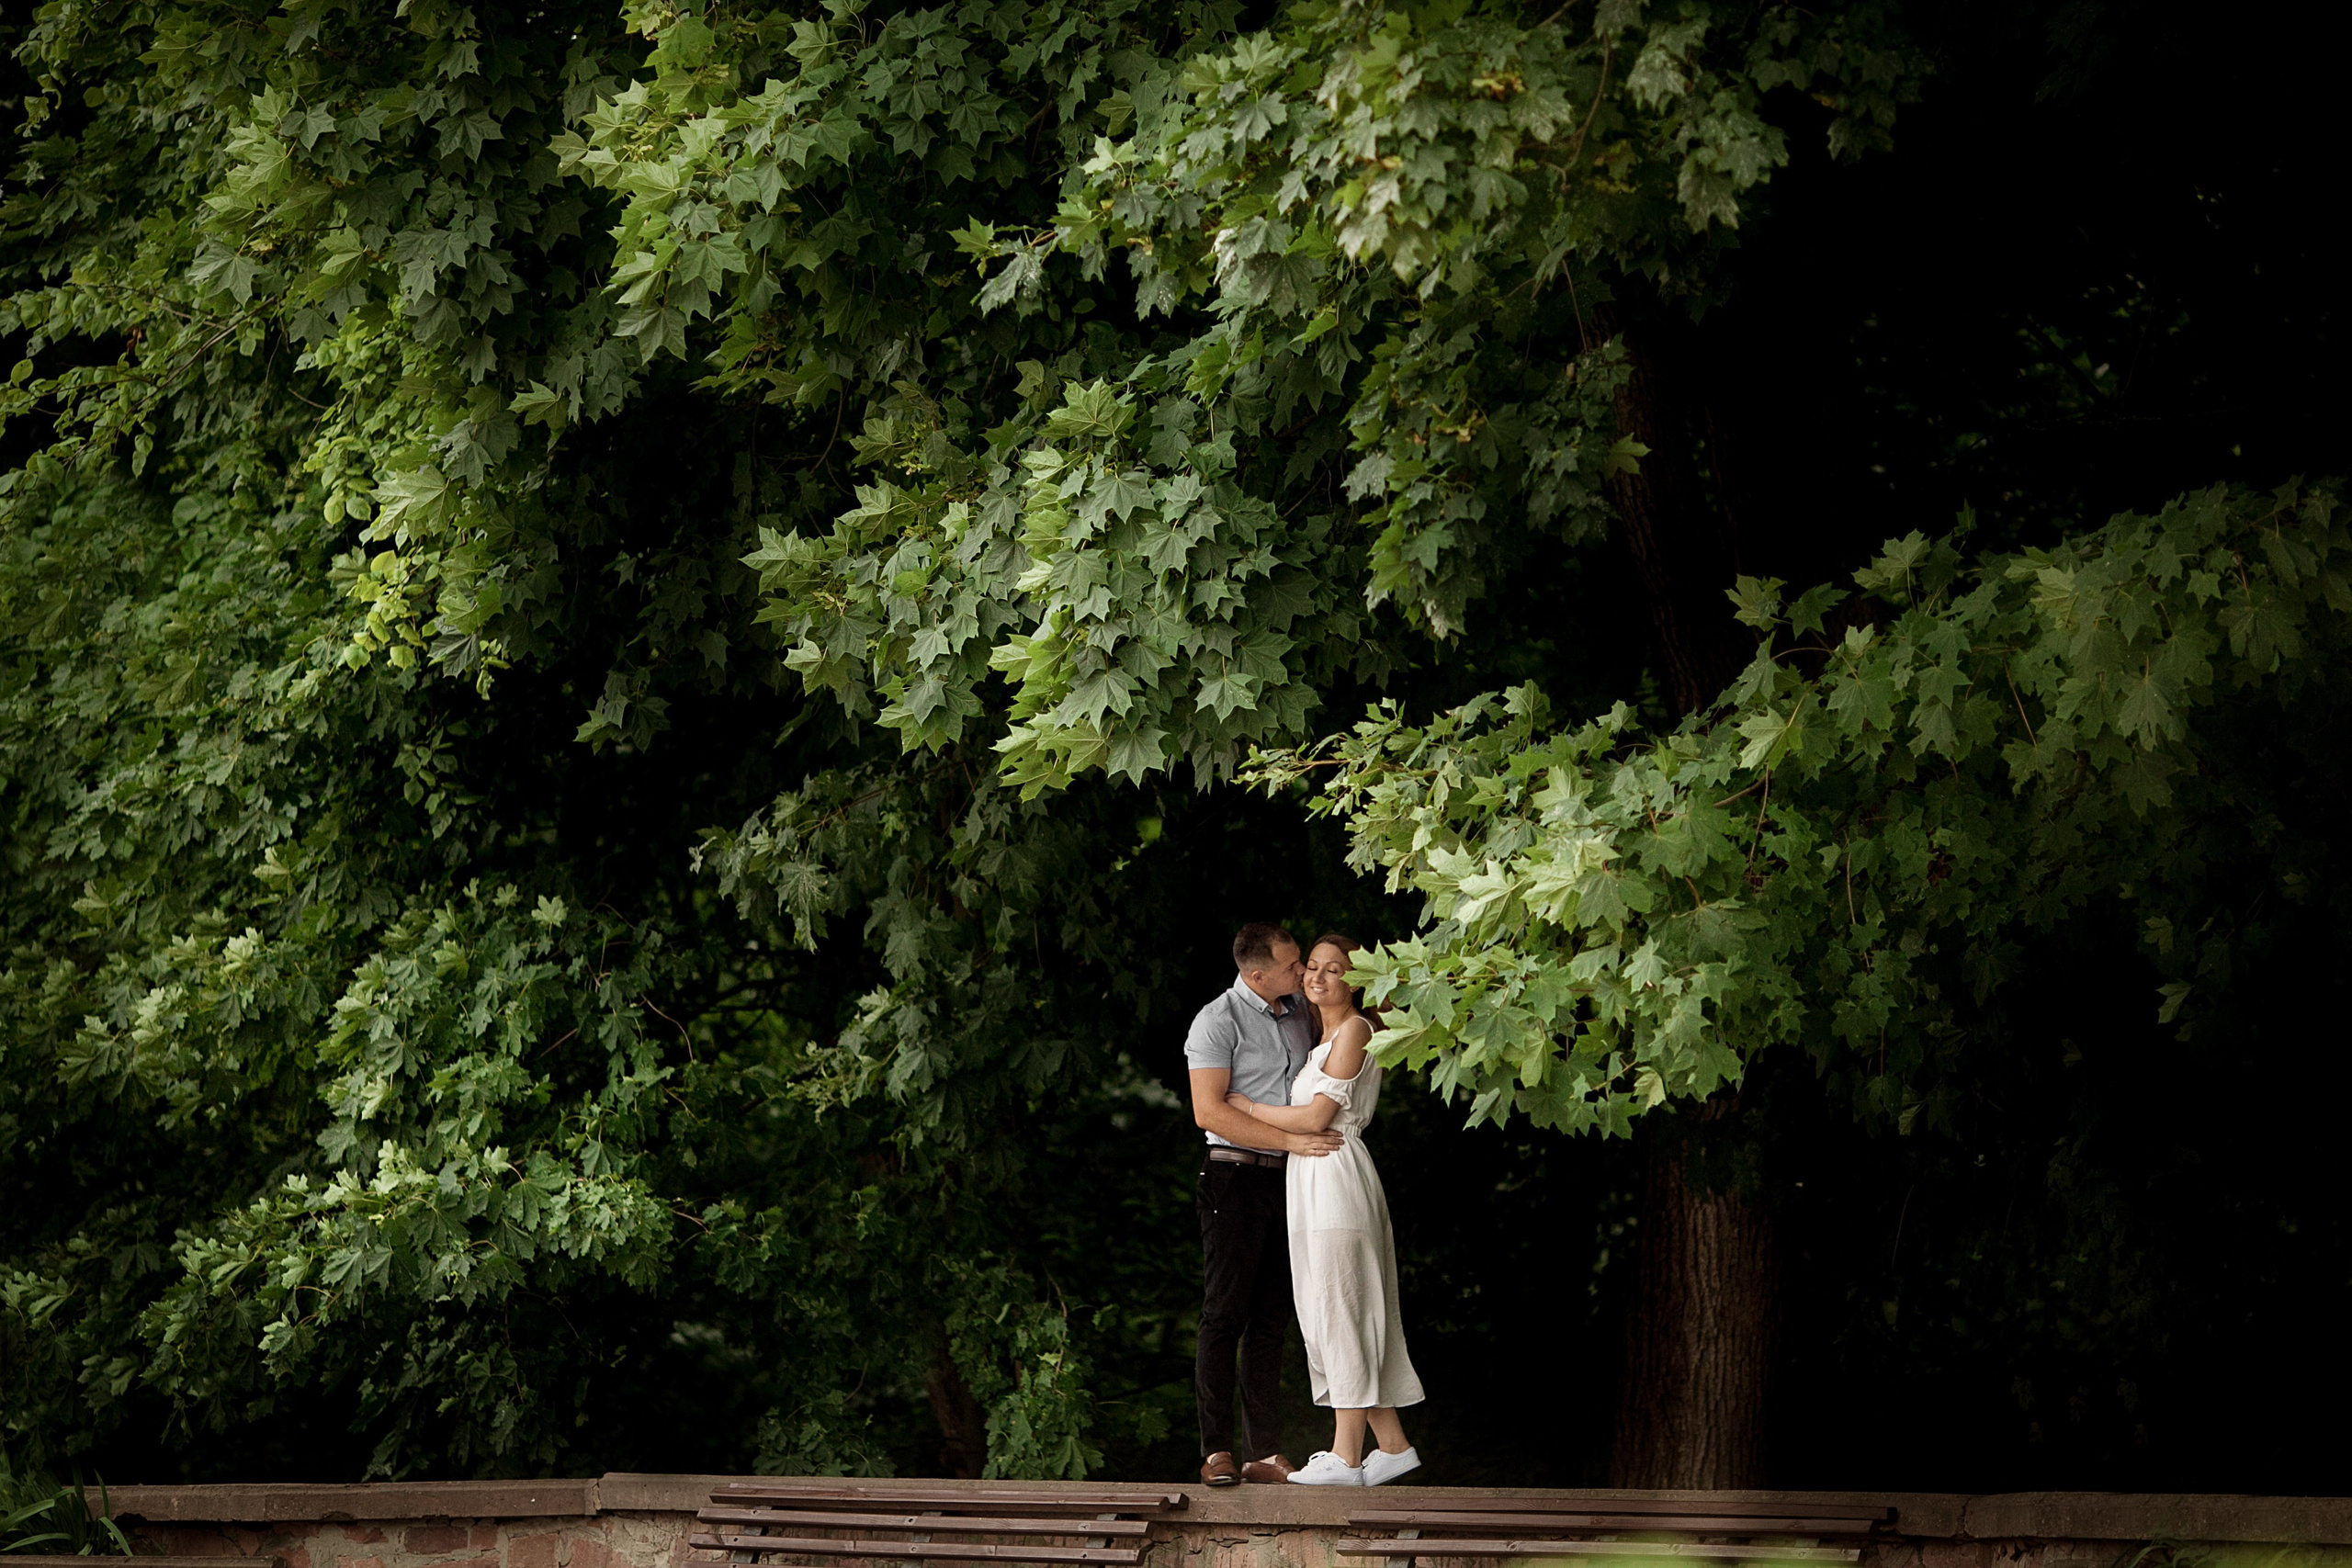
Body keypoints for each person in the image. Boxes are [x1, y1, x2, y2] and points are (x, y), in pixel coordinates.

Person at [1225, 933, 1425, 1486]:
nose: (1318, 977)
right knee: (1330, 1304)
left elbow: (1316, 1118)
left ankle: (1345, 1456)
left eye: (1333, 969)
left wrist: (1244, 1106)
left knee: (1341, 1305)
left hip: (1336, 1171)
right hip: (1312, 1177)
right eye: (1311, 966)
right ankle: (1392, 1446)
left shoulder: (1357, 1029)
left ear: (1354, 980)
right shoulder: (1323, 1036)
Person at [1183, 921, 1341, 1486]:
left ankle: (1264, 1451)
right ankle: (1215, 1452)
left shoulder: (1299, 1008)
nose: (1301, 972)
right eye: (1292, 965)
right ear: (1257, 975)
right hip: (1234, 1177)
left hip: (1291, 1181)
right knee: (1224, 1313)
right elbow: (1210, 1111)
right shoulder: (1216, 1021)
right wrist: (1293, 1140)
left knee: (1273, 1320)